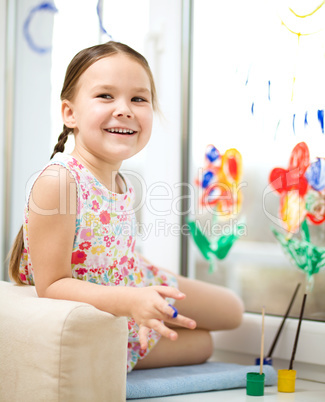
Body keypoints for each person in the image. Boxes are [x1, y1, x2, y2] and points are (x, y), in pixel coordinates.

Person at [9, 41, 243, 372]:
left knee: (232, 310)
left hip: (133, 279)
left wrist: (149, 281)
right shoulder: (59, 182)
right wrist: (133, 301)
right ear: (69, 113)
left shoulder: (121, 182)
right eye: (106, 96)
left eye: (138, 98)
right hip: (114, 309)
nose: (125, 109)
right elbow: (52, 286)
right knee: (203, 343)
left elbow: (111, 248)